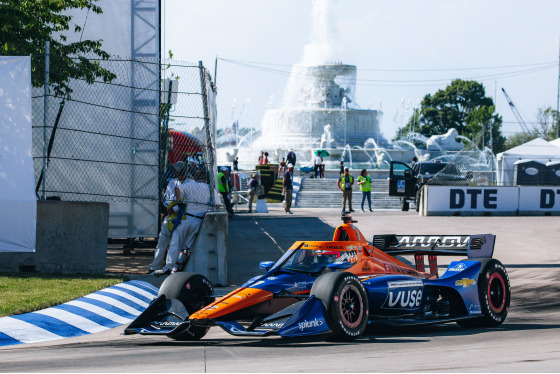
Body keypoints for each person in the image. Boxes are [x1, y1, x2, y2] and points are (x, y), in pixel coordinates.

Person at [163, 172, 220, 274]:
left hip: (186, 217)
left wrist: (178, 199)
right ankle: (180, 267)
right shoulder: (209, 188)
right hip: (199, 220)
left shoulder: (190, 185)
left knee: (175, 242)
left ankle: (169, 267)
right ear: (206, 179)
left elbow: (177, 189)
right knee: (187, 246)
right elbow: (218, 204)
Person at [148, 161, 188, 274]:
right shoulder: (172, 182)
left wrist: (174, 208)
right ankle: (154, 266)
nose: (174, 171)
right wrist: (169, 208)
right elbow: (166, 199)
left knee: (176, 244)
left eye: (177, 170)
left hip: (181, 216)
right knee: (162, 242)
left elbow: (185, 201)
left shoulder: (188, 182)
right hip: (169, 215)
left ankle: (171, 267)